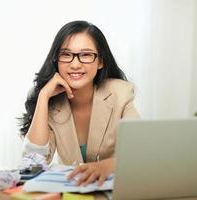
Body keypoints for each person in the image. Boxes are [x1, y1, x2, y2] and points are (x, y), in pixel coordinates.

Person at [19, 20, 139, 186]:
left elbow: (140, 152)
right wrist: (43, 97)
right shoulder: (52, 103)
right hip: (71, 192)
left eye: (85, 55)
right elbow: (32, 165)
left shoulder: (120, 93)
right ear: (56, 60)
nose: (75, 64)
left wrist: (105, 166)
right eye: (66, 55)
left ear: (100, 62)